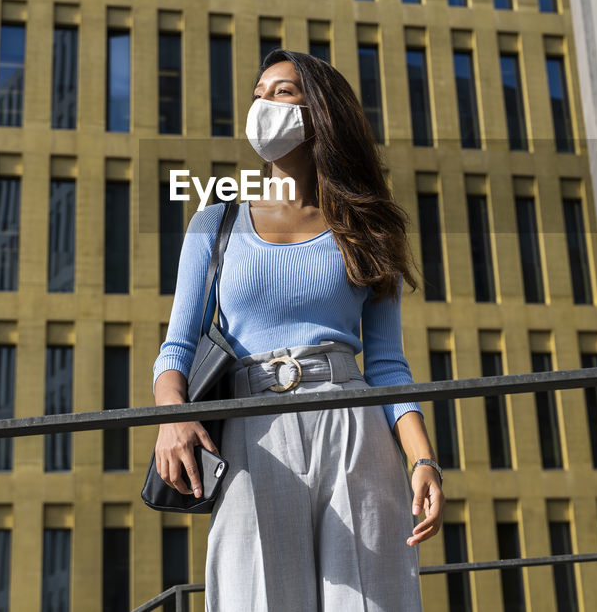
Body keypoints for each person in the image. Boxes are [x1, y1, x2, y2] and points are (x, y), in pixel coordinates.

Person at [152, 49, 445, 610]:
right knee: (254, 595)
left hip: (354, 426)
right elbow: (177, 346)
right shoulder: (217, 219)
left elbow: (387, 365)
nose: (262, 103)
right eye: (258, 92)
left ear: (320, 113)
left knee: (371, 599)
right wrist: (174, 416)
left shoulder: (367, 225)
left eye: (282, 92)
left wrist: (422, 458)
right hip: (250, 430)